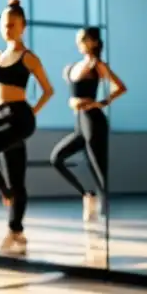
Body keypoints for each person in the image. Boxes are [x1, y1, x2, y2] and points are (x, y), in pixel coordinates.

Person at [0, 0, 54, 254]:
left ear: (22, 26)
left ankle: (6, 195)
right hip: (2, 117)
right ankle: (16, 231)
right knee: (16, 179)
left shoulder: (29, 58)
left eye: (13, 24)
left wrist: (31, 113)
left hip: (21, 117)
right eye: (4, 24)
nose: (8, 28)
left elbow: (48, 91)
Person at [50, 27, 127, 222]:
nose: (79, 43)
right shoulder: (74, 66)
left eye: (83, 40)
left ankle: (104, 214)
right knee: (56, 158)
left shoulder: (97, 65)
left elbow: (120, 87)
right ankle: (87, 195)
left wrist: (100, 103)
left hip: (94, 120)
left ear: (93, 42)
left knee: (98, 168)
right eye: (78, 40)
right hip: (80, 123)